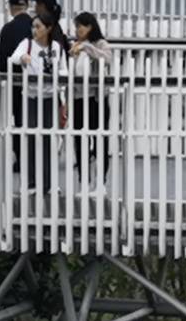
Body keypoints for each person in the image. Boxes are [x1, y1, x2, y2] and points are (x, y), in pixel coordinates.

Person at [10, 12, 68, 195]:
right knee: (31, 139)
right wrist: (22, 58)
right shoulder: (26, 44)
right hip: (32, 97)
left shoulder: (57, 47)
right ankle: (31, 182)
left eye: (38, 27)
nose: (34, 30)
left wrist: (60, 86)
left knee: (49, 140)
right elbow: (13, 57)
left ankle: (50, 183)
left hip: (50, 98)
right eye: (33, 26)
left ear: (48, 28)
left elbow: (64, 70)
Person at [69, 11, 112, 192]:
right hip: (78, 99)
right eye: (76, 26)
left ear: (91, 27)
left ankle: (100, 182)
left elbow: (107, 58)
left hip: (96, 99)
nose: (78, 30)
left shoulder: (100, 44)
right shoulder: (74, 46)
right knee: (80, 142)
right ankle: (84, 182)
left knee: (100, 140)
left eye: (81, 26)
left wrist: (86, 47)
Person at [0, 0, 35, 171]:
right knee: (30, 120)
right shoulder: (36, 27)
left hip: (12, 82)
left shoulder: (8, 29)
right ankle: (33, 158)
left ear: (11, 7)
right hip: (34, 81)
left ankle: (20, 157)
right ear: (26, 7)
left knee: (16, 119)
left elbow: (2, 59)